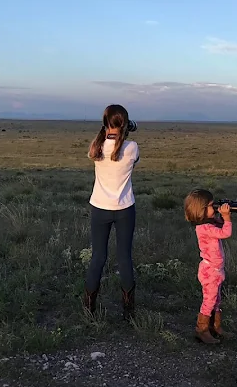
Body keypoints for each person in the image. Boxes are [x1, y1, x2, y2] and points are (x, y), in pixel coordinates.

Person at [83, 104, 140, 321]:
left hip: (99, 208)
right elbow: (134, 159)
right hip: (125, 208)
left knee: (98, 256)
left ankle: (89, 307)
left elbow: (104, 143)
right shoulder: (132, 147)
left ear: (105, 123)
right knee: (124, 257)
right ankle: (128, 310)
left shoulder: (96, 149)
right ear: (125, 123)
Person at [183, 189, 234, 344]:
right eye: (212, 206)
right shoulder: (204, 228)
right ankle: (202, 329)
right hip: (209, 272)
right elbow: (226, 233)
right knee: (209, 301)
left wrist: (219, 215)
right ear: (202, 210)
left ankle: (215, 327)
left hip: (216, 271)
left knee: (216, 299)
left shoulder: (207, 224)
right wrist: (226, 217)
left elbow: (218, 224)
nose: (215, 208)